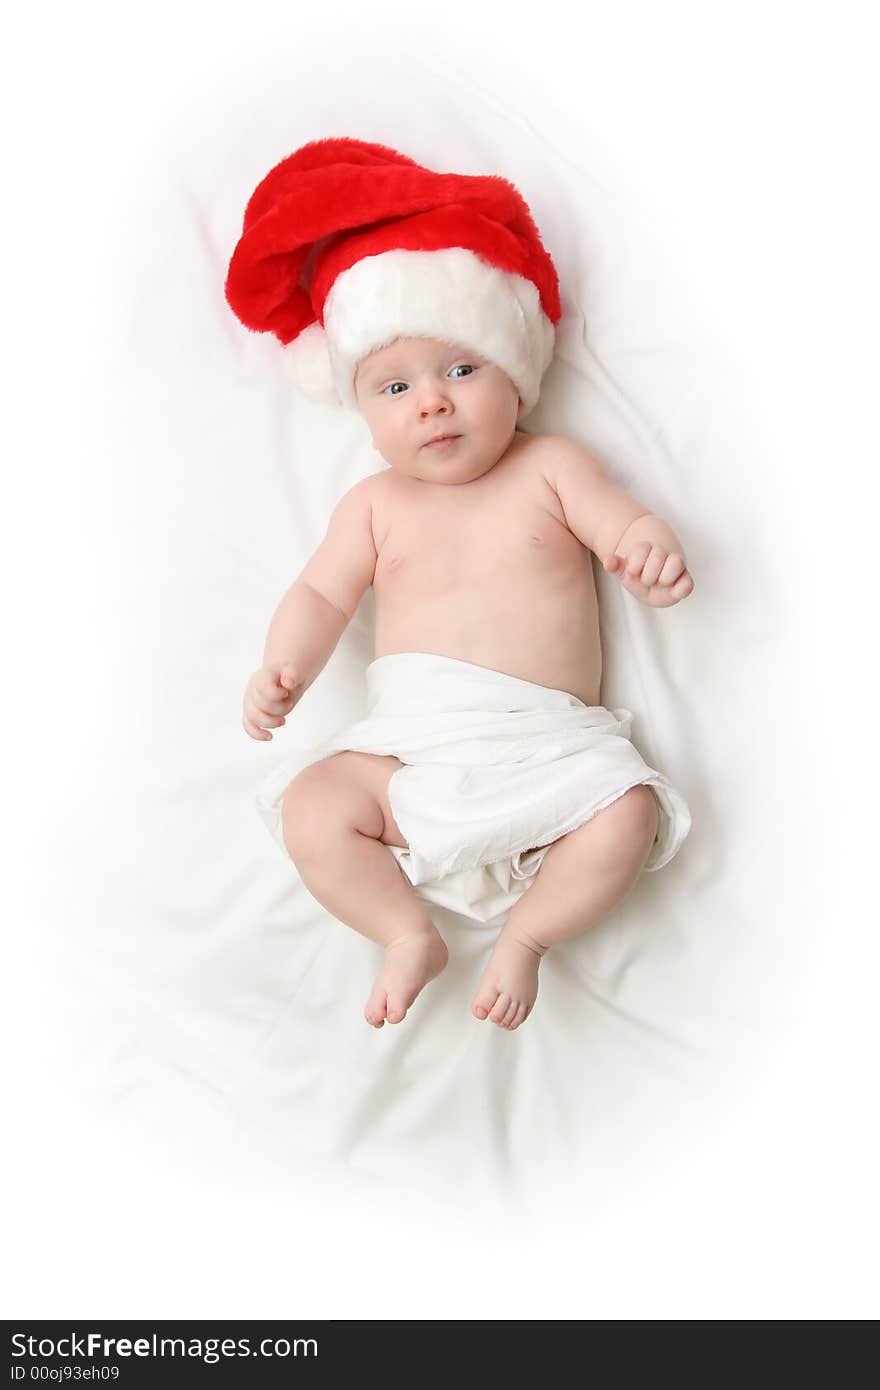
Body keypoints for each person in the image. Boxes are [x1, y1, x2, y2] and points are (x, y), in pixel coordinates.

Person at [227, 137, 693, 1032]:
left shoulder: (551, 466)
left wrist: (647, 549)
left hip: (548, 753)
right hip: (412, 754)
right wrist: (282, 669)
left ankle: (527, 936)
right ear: (364, 413)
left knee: (630, 814)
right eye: (395, 385)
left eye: (462, 369)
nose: (432, 401)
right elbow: (323, 596)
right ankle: (406, 933)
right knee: (316, 807)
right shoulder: (373, 505)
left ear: (516, 378)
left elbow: (619, 524)